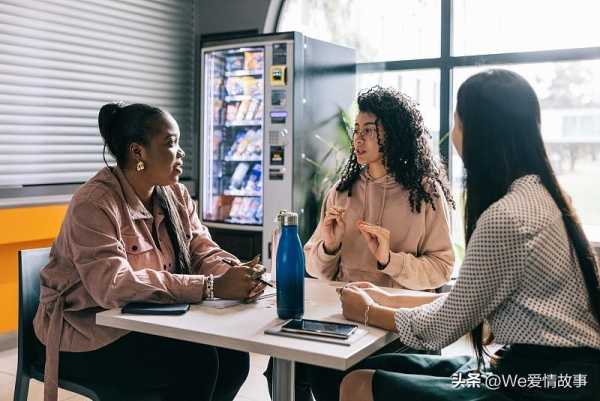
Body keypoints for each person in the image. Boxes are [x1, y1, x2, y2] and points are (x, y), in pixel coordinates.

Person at [338, 69, 600, 401]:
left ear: (482, 133)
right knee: (377, 369)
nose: (454, 133)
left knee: (357, 384)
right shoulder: (543, 197)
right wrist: (384, 296)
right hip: (556, 372)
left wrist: (366, 311)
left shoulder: (504, 217)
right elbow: (468, 298)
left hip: (539, 384)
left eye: (458, 123)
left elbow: (445, 325)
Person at [33, 103, 266, 401]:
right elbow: (112, 286)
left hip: (146, 322)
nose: (181, 152)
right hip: (86, 332)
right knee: (195, 363)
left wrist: (234, 273)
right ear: (137, 152)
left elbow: (200, 249)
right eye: (170, 143)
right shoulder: (93, 203)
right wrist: (210, 287)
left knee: (233, 357)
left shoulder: (175, 194)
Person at [265, 86, 456, 401]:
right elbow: (314, 266)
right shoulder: (342, 192)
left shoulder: (426, 194)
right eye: (356, 130)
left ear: (395, 134)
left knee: (339, 374)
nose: (357, 139)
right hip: (343, 317)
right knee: (283, 363)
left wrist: (389, 260)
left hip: (397, 326)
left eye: (369, 131)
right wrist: (329, 246)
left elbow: (441, 270)